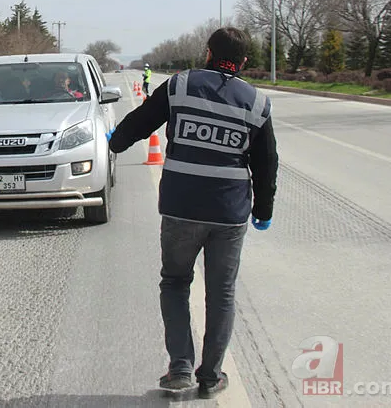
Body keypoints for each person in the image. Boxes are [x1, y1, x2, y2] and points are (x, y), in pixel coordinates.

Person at [107, 27, 278, 400]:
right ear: (243, 61)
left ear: (207, 53)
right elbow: (266, 164)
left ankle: (180, 367)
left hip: (181, 207)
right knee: (222, 293)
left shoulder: (180, 86)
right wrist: (263, 209)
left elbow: (142, 120)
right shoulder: (256, 102)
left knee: (175, 282)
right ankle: (211, 376)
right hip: (229, 213)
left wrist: (116, 141)